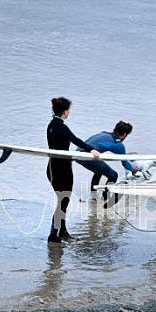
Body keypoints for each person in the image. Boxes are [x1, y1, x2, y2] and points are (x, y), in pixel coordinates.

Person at [46, 97, 100, 243]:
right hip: (62, 169)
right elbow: (76, 140)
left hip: (51, 167)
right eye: (68, 109)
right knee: (63, 201)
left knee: (62, 200)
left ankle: (62, 231)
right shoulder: (61, 127)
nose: (69, 112)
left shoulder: (51, 125)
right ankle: (53, 235)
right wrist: (92, 150)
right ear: (65, 112)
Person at [76, 121, 140, 195]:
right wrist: (133, 170)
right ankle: (105, 196)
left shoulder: (104, 133)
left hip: (77, 153)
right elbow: (124, 163)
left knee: (98, 171)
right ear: (124, 134)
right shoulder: (118, 144)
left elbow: (101, 145)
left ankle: (93, 195)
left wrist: (125, 154)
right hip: (87, 157)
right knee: (113, 175)